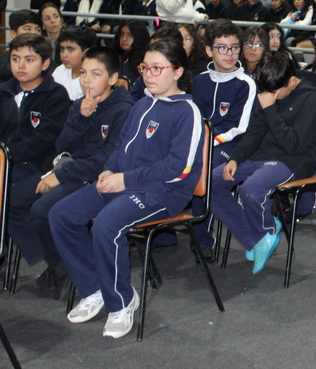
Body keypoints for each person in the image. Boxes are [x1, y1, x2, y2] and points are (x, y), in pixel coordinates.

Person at [51, 38, 203, 339]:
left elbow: (179, 168)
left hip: (162, 192)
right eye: (145, 67)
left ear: (177, 71)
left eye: (157, 68)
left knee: (106, 226)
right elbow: (121, 145)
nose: (148, 74)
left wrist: (125, 179)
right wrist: (109, 170)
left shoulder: (187, 111)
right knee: (61, 214)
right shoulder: (142, 104)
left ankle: (121, 302)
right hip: (126, 182)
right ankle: (93, 288)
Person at [16, 47, 133, 296]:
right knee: (15, 200)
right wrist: (80, 117)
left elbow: (107, 159)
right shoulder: (81, 104)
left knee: (42, 210)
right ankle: (59, 262)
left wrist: (60, 176)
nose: (87, 80)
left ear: (112, 78)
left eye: (96, 74)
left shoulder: (123, 109)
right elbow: (62, 146)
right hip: (71, 169)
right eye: (83, 73)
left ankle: (67, 264)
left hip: (97, 177)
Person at [209, 51, 316, 274]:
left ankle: (267, 230)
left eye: (275, 92)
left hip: (293, 160)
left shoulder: (312, 101)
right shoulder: (269, 91)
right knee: (212, 183)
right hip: (262, 156)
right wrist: (235, 158)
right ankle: (256, 239)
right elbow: (254, 132)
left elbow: (293, 145)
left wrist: (270, 109)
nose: (270, 96)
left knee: (251, 190)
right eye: (266, 91)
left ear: (291, 81)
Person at [1, 33, 71, 276]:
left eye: (29, 60)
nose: (21, 65)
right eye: (15, 59)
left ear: (44, 63)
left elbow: (43, 141)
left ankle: (49, 261)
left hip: (39, 165)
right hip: (6, 164)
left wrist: (5, 154)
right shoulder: (3, 92)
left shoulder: (56, 95)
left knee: (8, 199)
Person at [191, 20, 257, 254]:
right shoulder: (200, 80)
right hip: (202, 142)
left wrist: (207, 143)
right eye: (221, 47)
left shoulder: (246, 83)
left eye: (234, 47)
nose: (229, 53)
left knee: (203, 171)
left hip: (233, 146)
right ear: (209, 50)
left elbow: (238, 127)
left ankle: (202, 239)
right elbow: (193, 118)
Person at [52, 26, 97, 100]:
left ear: (86, 52)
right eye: (62, 49)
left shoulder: (95, 78)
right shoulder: (59, 71)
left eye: (70, 49)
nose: (64, 55)